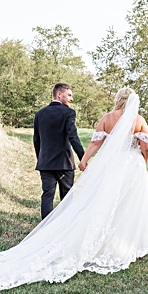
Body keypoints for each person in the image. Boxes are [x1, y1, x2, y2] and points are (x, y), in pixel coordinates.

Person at [0, 87, 148, 294]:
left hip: (105, 166)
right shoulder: (139, 120)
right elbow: (145, 146)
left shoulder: (107, 118)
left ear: (118, 100)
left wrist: (84, 160)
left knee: (103, 202)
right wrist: (143, 160)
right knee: (128, 204)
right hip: (130, 167)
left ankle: (62, 229)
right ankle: (123, 244)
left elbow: (95, 143)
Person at [33, 83, 87, 219]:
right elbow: (73, 137)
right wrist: (83, 158)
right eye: (69, 95)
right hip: (64, 163)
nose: (71, 99)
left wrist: (41, 158)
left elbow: (36, 141)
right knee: (67, 196)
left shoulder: (39, 114)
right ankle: (66, 227)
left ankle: (45, 229)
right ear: (59, 94)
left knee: (47, 195)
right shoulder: (68, 113)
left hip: (45, 163)